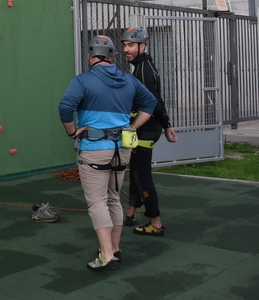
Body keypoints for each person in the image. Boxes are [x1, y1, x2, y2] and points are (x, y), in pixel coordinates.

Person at [58, 35, 156, 272]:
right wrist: (132, 127)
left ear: (90, 56)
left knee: (97, 202)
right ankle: (115, 247)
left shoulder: (83, 80)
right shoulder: (127, 80)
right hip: (122, 150)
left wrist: (72, 132)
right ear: (113, 57)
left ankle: (106, 254)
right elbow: (150, 103)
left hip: (94, 150)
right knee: (113, 197)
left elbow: (65, 107)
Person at [120, 27, 177, 236]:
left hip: (146, 129)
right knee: (135, 170)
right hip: (146, 127)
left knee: (142, 175)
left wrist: (164, 124)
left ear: (142, 46)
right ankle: (131, 212)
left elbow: (153, 103)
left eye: (131, 45)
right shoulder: (140, 66)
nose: (127, 49)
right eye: (125, 45)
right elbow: (158, 99)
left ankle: (155, 222)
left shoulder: (143, 70)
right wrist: (168, 124)